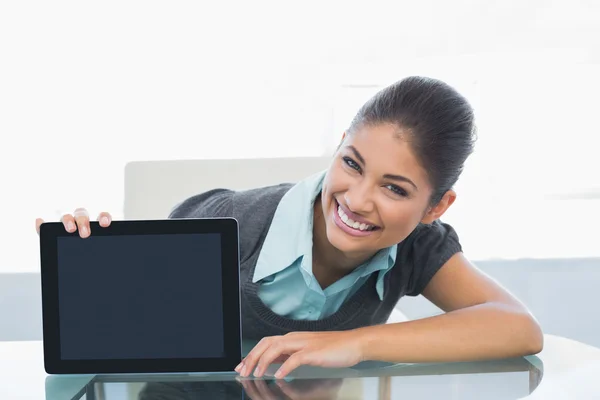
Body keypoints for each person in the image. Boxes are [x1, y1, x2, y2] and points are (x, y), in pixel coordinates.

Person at [35, 76, 543, 380]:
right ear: (341, 142)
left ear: (437, 206)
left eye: (395, 189)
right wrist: (82, 259)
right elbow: (118, 330)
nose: (358, 199)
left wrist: (358, 343)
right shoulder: (225, 221)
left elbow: (518, 326)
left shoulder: (418, 247)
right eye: (352, 163)